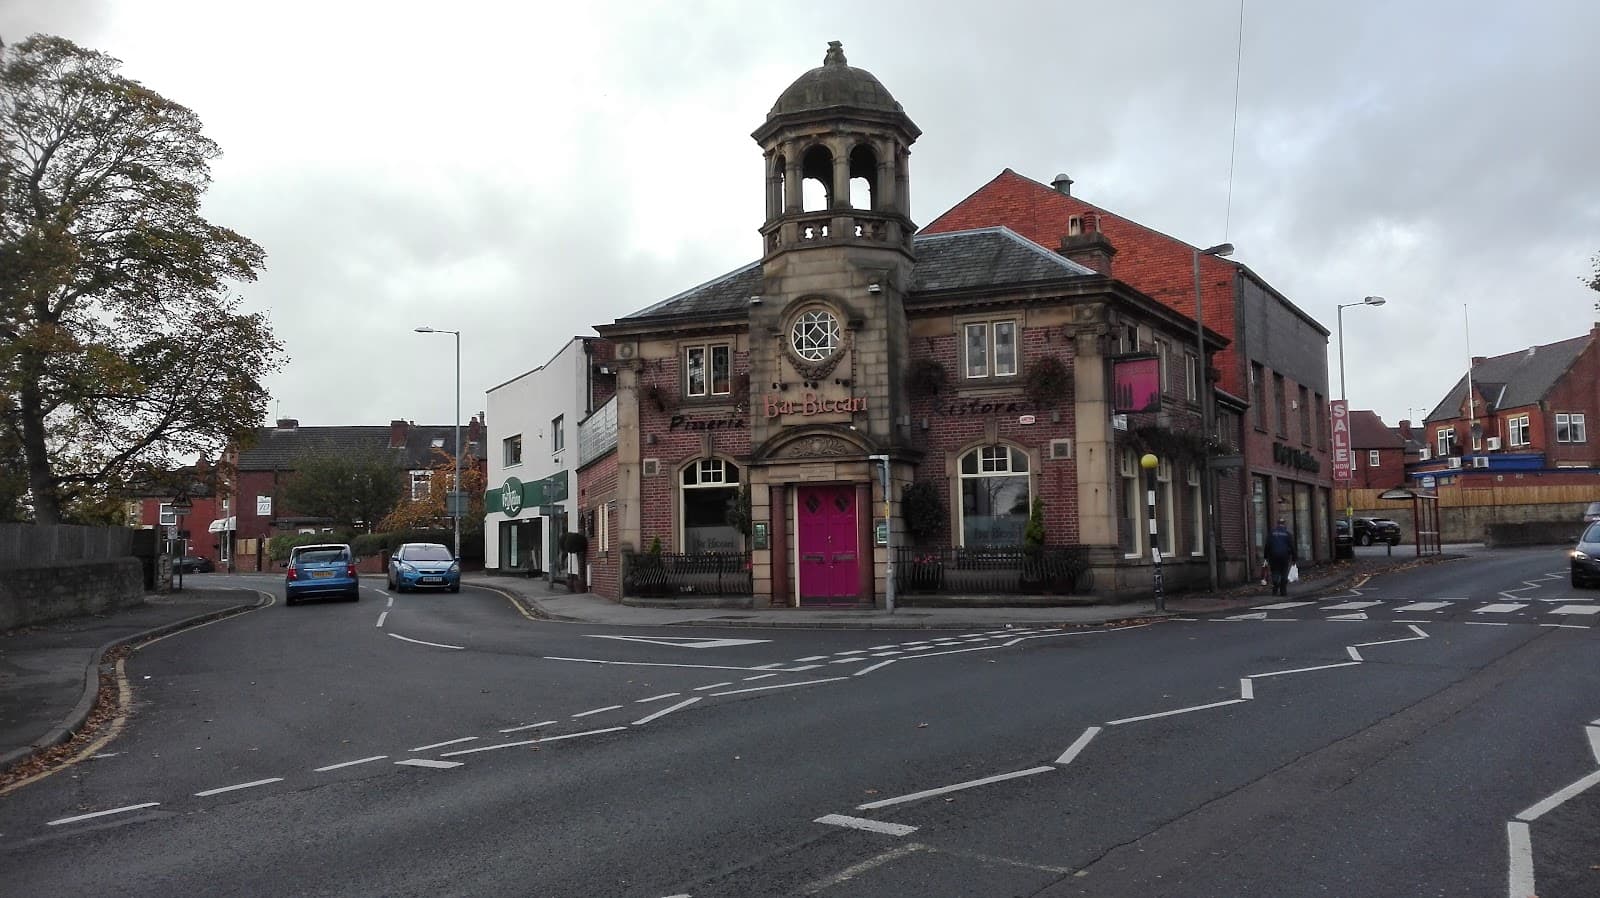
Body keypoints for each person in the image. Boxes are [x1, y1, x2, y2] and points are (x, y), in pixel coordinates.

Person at [1264, 517, 1297, 596]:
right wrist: (1294, 558)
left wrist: (1265, 557)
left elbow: (1267, 545)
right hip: (1285, 556)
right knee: (1284, 572)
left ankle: (1276, 583)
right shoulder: (1288, 534)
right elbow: (1292, 547)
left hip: (1273, 556)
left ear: (1277, 524)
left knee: (1275, 571)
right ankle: (1283, 590)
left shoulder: (1271, 533)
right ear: (1284, 524)